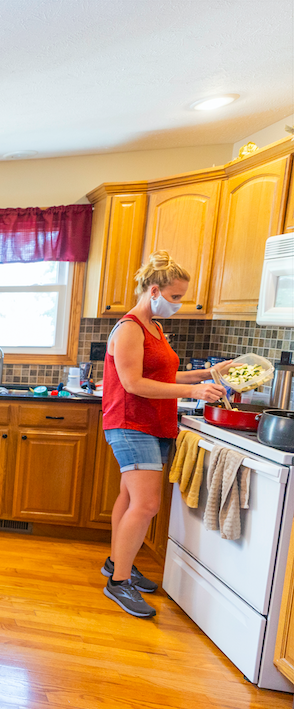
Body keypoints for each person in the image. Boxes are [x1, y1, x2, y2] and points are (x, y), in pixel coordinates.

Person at [101, 250, 226, 618]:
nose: (179, 304)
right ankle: (118, 584)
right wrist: (193, 392)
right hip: (130, 423)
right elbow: (134, 383)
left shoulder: (154, 327)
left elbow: (162, 376)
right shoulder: (128, 328)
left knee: (129, 499)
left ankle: (116, 563)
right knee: (147, 505)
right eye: (174, 297)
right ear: (154, 290)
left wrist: (209, 374)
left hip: (154, 423)